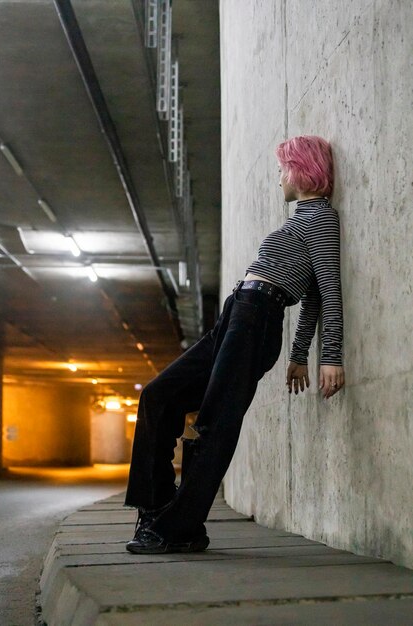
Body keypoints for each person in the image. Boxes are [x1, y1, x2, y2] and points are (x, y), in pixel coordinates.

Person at [124, 134, 345, 554]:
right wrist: (299, 357)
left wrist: (328, 357)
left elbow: (327, 291)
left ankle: (181, 529)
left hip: (258, 317)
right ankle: (154, 509)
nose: (279, 177)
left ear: (300, 169)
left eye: (282, 168)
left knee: (214, 424)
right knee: (158, 396)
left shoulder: (321, 220)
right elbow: (314, 293)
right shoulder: (299, 219)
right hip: (236, 314)